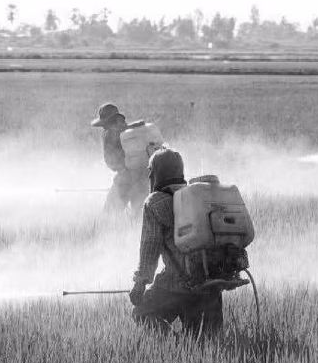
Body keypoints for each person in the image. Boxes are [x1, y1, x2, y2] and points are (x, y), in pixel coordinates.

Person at [129, 148, 224, 337]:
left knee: (142, 314)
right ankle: (183, 348)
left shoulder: (155, 202)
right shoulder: (199, 198)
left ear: (155, 174)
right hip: (211, 285)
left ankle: (176, 345)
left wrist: (140, 283)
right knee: (207, 345)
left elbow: (149, 248)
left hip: (175, 285)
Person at [90, 103, 149, 215]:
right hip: (142, 176)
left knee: (109, 214)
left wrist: (122, 171)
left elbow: (111, 159)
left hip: (124, 177)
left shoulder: (109, 134)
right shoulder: (126, 131)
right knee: (140, 214)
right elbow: (126, 127)